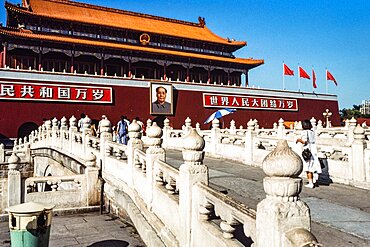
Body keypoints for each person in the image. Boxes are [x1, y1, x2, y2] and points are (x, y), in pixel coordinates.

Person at [296, 119, 322, 188]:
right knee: (312, 165)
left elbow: (304, 141)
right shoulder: (312, 132)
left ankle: (310, 183)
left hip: (307, 150)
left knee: (308, 167)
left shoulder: (304, 132)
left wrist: (298, 140)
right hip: (313, 150)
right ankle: (312, 180)